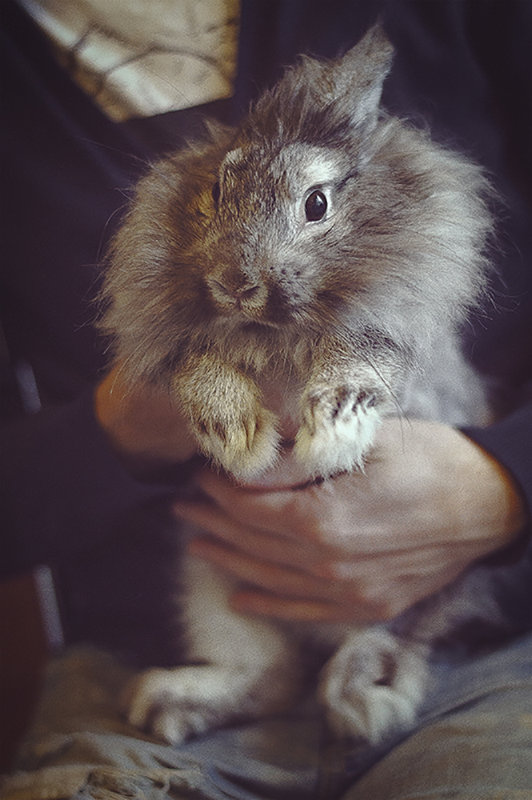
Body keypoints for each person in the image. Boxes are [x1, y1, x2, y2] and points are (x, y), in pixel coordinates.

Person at [1, 1, 531, 798]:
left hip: (482, 629)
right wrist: (125, 423)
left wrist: (504, 487)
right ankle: (244, 671)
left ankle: (393, 649)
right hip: (160, 635)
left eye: (314, 209)